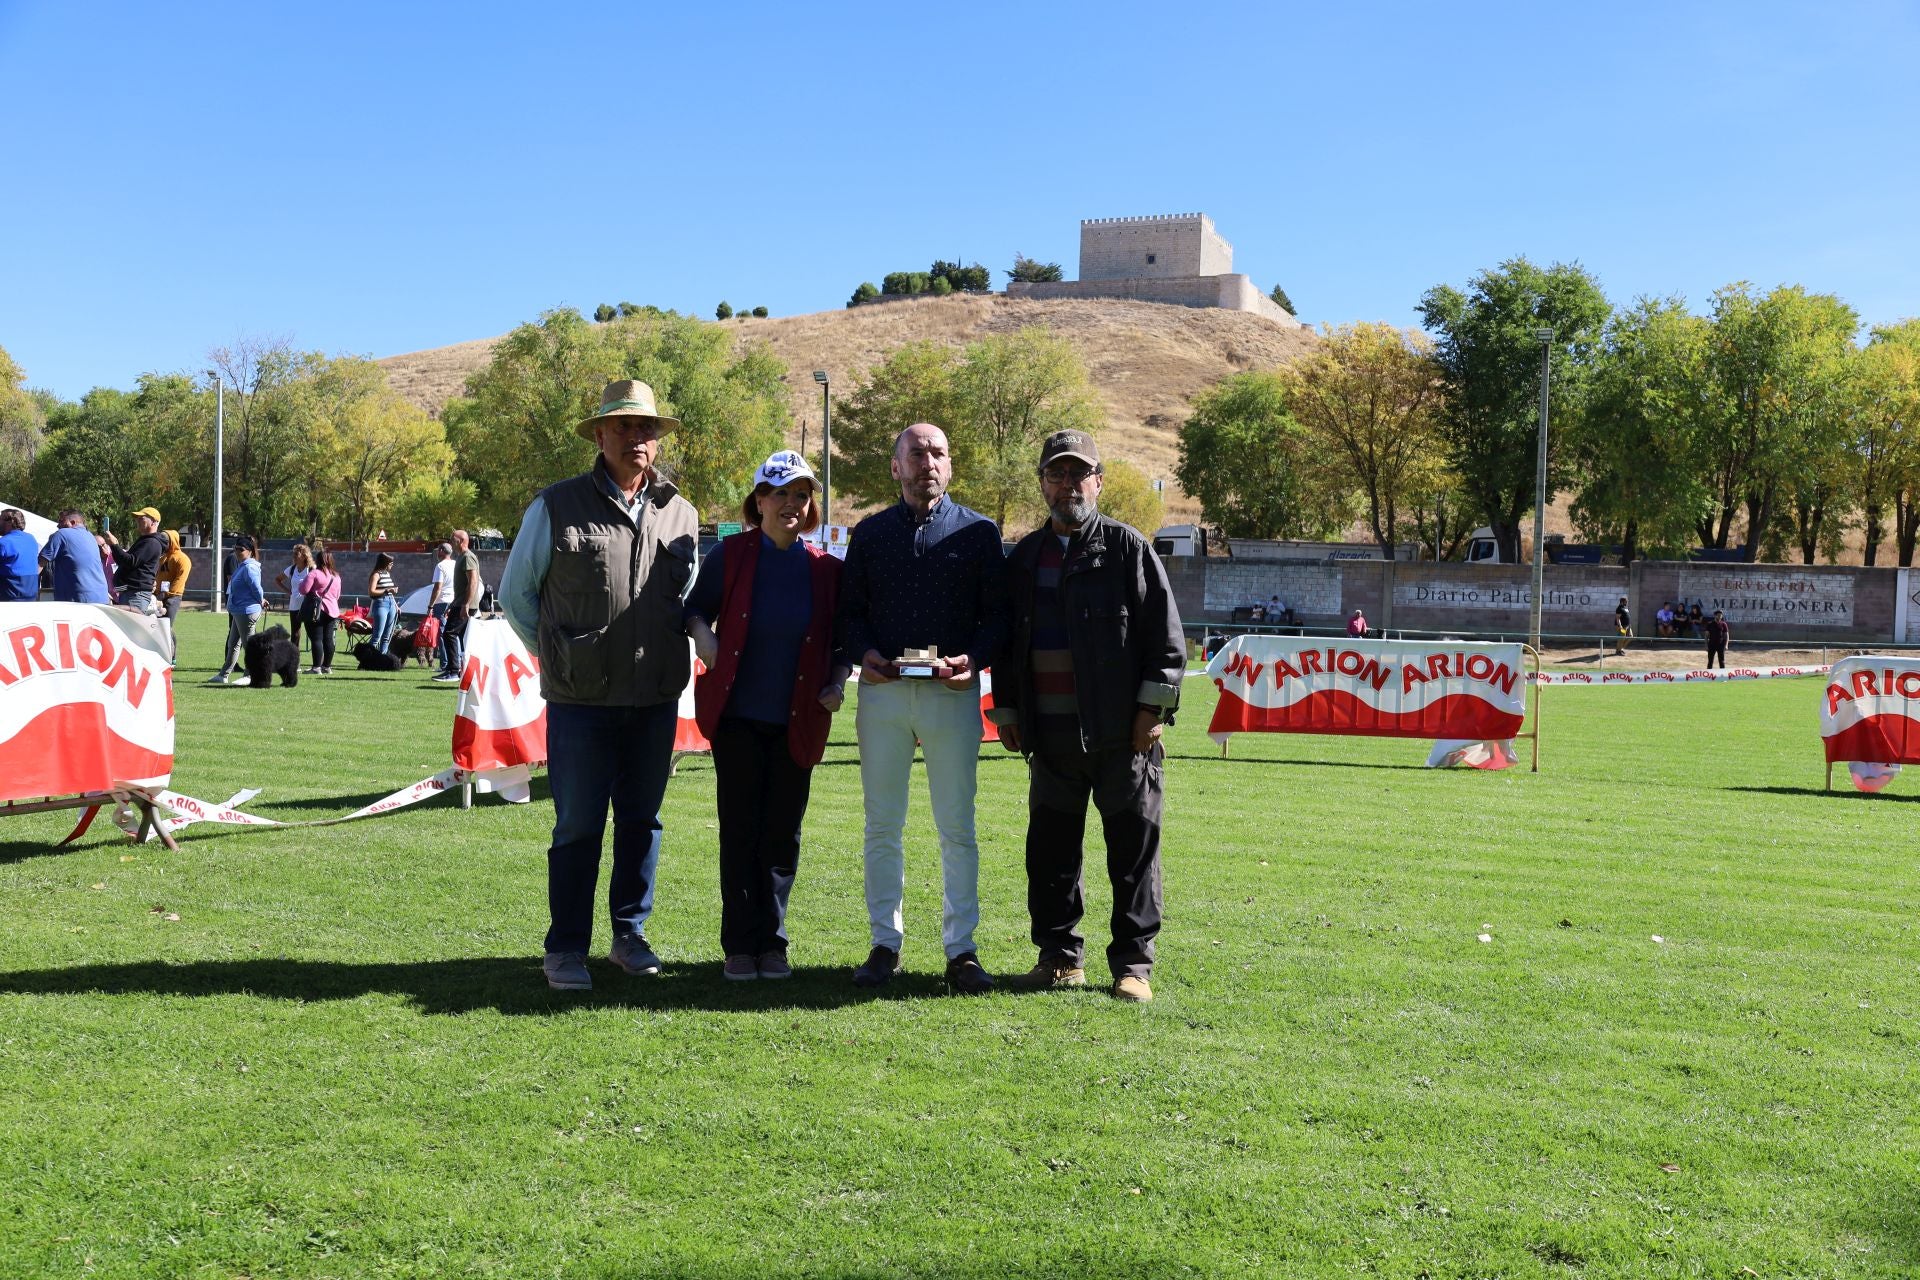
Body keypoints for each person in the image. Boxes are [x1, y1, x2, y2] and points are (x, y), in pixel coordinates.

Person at [501, 380, 699, 992]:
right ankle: (565, 948)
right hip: (580, 705)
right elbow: (516, 597)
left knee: (643, 823)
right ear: (600, 435)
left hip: (653, 701)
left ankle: (629, 936)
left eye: (647, 429)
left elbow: (690, 601)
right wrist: (560, 656)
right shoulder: (555, 505)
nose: (637, 439)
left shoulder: (682, 513)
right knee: (579, 826)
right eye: (624, 427)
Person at [990, 430, 1183, 1004]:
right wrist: (1007, 712)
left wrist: (1151, 711)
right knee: (1049, 852)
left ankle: (1133, 967)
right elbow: (1007, 644)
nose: (1068, 484)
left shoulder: (1128, 549)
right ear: (1042, 482)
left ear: (1099, 480)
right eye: (1057, 474)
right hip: (1048, 738)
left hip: (1121, 736)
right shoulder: (1023, 557)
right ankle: (1057, 958)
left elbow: (1166, 642)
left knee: (1132, 853)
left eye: (1079, 474)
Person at [838, 421, 1008, 994]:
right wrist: (864, 653)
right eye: (916, 453)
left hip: (952, 696)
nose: (927, 462)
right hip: (882, 693)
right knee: (882, 825)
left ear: (951, 465)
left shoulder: (980, 534)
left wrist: (974, 660)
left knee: (956, 827)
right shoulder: (869, 534)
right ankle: (884, 943)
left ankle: (961, 951)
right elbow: (848, 613)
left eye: (937, 452)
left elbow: (999, 618)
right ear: (896, 466)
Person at [684, 450, 850, 981]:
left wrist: (838, 680)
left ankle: (772, 944)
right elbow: (692, 609)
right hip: (737, 720)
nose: (792, 505)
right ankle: (738, 945)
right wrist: (703, 634)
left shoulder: (827, 571)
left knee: (783, 834)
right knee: (739, 831)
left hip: (796, 722)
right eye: (780, 494)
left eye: (802, 495)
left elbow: (844, 640)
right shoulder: (729, 556)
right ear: (758, 501)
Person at [209, 537, 264, 684]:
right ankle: (223, 675)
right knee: (233, 644)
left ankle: (251, 675)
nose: (237, 551)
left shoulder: (249, 567)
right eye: (236, 548)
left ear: (250, 551)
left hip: (247, 611)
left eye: (241, 549)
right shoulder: (242, 565)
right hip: (239, 611)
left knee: (248, 645)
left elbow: (256, 588)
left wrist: (261, 600)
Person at [435, 529, 482, 682]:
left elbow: (473, 582)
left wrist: (466, 604)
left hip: (466, 604)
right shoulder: (461, 557)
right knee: (460, 637)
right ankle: (456, 670)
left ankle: (454, 671)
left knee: (449, 633)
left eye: (452, 539)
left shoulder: (468, 557)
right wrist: (453, 604)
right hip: (459, 603)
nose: (450, 541)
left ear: (461, 541)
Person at [104, 505, 166, 615]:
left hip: (136, 595)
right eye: (137, 518)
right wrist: (115, 546)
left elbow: (130, 562)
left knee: (131, 629)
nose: (137, 520)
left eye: (141, 518)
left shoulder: (152, 543)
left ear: (154, 522)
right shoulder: (146, 541)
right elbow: (123, 562)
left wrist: (115, 545)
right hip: (131, 593)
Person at [40, 510, 111, 604]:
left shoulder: (61, 534)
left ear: (73, 522)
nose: (58, 525)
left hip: (77, 601)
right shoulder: (91, 537)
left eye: (61, 521)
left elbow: (39, 564)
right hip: (102, 598)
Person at [301, 551, 342, 674]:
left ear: (318, 560)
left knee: (316, 639)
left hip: (316, 610)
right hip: (332, 610)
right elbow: (338, 595)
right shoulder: (336, 576)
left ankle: (316, 667)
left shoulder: (315, 573)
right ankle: (326, 667)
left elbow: (303, 590)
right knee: (328, 639)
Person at [154, 529, 191, 662]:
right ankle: (165, 655)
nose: (163, 543)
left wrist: (167, 594)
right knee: (161, 627)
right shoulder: (163, 558)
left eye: (166, 540)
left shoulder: (182, 559)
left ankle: (170, 657)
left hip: (172, 597)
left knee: (166, 627)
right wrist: (155, 593)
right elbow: (157, 577)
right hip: (158, 597)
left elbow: (180, 580)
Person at [0, 508, 40, 600]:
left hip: (10, 598)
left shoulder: (4, 543)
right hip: (31, 596)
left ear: (10, 522)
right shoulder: (31, 539)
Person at [428, 541, 455, 668]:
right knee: (453, 634)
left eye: (438, 550)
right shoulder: (455, 564)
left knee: (442, 634)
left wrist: (430, 605)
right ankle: (455, 662)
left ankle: (445, 663)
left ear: (442, 551)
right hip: (454, 601)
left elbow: (437, 587)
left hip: (442, 602)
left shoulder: (440, 566)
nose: (437, 552)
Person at [367, 552, 400, 655]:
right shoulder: (376, 574)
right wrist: (387, 590)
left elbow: (390, 593)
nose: (392, 565)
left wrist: (396, 605)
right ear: (385, 563)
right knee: (377, 635)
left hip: (391, 604)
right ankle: (367, 658)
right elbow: (371, 592)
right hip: (381, 604)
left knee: (387, 636)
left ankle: (382, 659)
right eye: (390, 563)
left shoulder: (387, 574)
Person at [276, 543, 314, 627]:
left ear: (304, 556)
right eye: (293, 554)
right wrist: (289, 592)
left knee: (311, 633)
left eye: (296, 554)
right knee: (295, 634)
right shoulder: (291, 569)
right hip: (294, 605)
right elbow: (277, 580)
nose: (293, 556)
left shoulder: (312, 569)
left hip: (308, 606)